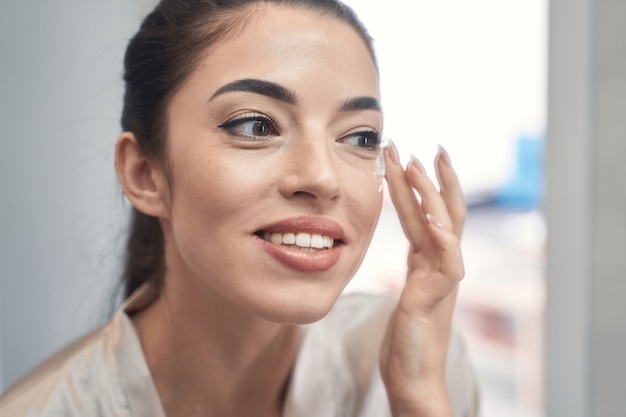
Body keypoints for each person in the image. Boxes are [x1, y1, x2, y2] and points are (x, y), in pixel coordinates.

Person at [0, 0, 479, 416]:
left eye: (360, 137)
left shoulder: (423, 364)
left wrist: (417, 400)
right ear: (146, 174)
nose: (322, 177)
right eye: (255, 126)